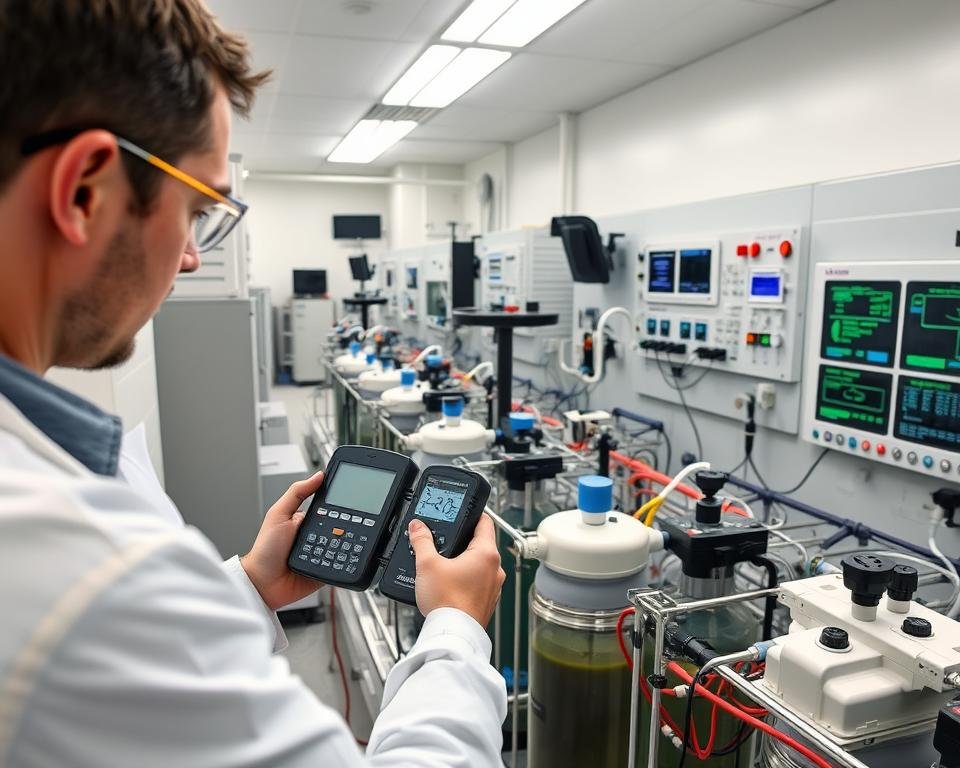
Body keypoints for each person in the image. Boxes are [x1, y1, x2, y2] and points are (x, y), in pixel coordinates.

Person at [0, 1, 507, 765]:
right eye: (198, 211)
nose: (195, 258)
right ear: (84, 191)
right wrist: (459, 631)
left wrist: (243, 586)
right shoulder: (77, 564)